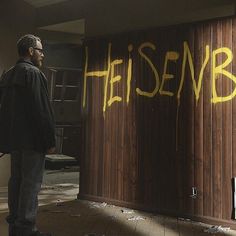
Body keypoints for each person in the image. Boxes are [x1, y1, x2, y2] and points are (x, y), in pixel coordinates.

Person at [0, 34, 56, 236]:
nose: (43, 54)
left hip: (15, 141)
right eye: (40, 50)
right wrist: (49, 140)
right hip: (32, 141)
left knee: (16, 181)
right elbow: (41, 110)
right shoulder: (33, 74)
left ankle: (15, 224)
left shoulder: (8, 75)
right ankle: (26, 227)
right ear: (31, 51)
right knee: (31, 183)